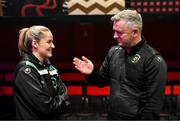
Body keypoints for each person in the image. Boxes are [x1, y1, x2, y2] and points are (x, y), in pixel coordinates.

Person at [73, 9, 167, 120]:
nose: (114, 36)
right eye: (114, 31)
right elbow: (101, 81)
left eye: (120, 32)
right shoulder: (114, 51)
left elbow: (152, 106)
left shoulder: (153, 60)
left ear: (135, 32)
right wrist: (91, 73)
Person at [13, 25, 70, 120]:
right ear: (35, 44)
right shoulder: (25, 69)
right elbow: (45, 106)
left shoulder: (52, 69)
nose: (53, 46)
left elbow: (67, 102)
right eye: (49, 42)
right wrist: (60, 103)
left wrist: (58, 103)